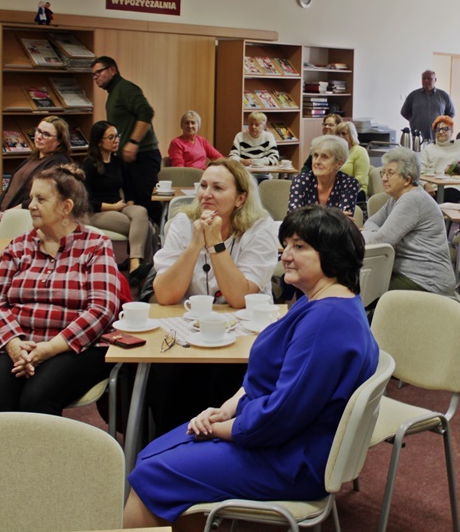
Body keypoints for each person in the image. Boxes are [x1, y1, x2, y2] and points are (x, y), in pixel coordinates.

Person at [124, 204, 379, 530]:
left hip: (292, 459)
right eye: (286, 244)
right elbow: (273, 382)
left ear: (332, 254)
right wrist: (225, 410)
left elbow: (280, 415)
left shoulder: (328, 321)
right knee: (153, 455)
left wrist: (221, 428)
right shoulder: (318, 302)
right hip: (281, 439)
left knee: (152, 471)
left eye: (299, 246)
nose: (286, 255)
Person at [147, 158, 279, 436]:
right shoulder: (184, 223)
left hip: (244, 337)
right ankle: (170, 446)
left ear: (240, 198)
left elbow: (239, 297)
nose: (206, 193)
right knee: (165, 377)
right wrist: (196, 243)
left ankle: (216, 447)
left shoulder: (259, 227)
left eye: (218, 188)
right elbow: (166, 295)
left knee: (224, 378)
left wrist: (215, 242)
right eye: (203, 185)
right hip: (191, 333)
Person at [0, 164, 122, 414]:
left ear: (66, 207)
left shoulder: (96, 245)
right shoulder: (19, 246)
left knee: (37, 399)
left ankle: (41, 455)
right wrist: (13, 343)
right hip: (20, 339)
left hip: (75, 346)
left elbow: (102, 308)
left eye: (40, 199)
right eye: (31, 198)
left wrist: (50, 348)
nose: (31, 205)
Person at [363, 148, 456, 297]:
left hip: (428, 281)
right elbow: (371, 222)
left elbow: (381, 241)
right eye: (384, 173)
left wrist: (375, 235)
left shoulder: (412, 200)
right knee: (362, 285)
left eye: (390, 173)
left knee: (365, 289)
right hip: (409, 274)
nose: (384, 178)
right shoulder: (395, 198)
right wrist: (375, 233)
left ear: (407, 180)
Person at [0, 116, 71, 236]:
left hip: (20, 219)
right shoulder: (32, 159)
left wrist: (4, 215)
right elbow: (10, 190)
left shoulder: (57, 163)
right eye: (38, 131)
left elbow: (40, 199)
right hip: (1, 215)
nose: (39, 136)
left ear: (59, 141)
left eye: (46, 134)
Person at [92, 56, 162, 223]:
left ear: (112, 70)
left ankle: (159, 244)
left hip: (143, 155)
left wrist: (133, 142)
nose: (95, 77)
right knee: (135, 203)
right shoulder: (113, 94)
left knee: (147, 203)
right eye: (93, 75)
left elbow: (146, 112)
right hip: (127, 158)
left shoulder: (125, 88)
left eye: (98, 72)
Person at [82, 120, 151, 277]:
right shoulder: (89, 165)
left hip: (119, 207)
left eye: (117, 136)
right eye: (111, 137)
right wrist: (114, 207)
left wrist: (129, 209)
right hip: (96, 212)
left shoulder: (117, 162)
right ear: (100, 142)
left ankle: (136, 263)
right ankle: (137, 266)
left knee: (141, 212)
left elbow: (129, 189)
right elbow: (86, 201)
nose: (116, 141)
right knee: (148, 227)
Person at [288, 135, 360, 216]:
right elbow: (293, 218)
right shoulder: (301, 180)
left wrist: (307, 217)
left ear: (338, 163)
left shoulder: (349, 183)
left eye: (324, 157)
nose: (317, 161)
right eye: (315, 155)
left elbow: (344, 223)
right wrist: (333, 217)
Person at [420, 115, 460, 203]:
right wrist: (426, 185)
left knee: (447, 196)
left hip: (455, 186)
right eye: (437, 129)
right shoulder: (429, 148)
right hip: (433, 187)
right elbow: (420, 171)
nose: (440, 132)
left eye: (445, 129)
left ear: (451, 131)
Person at [400, 69, 455, 141]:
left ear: (435, 80)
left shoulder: (444, 96)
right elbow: (404, 112)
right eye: (424, 78)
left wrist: (442, 124)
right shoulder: (413, 95)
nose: (426, 80)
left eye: (429, 78)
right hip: (417, 137)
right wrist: (414, 120)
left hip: (438, 136)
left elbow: (451, 113)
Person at [229, 112, 279, 182]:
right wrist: (242, 161)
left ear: (264, 127)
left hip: (263, 176)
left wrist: (258, 162)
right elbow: (231, 157)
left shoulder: (268, 136)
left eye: (257, 124)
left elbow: (274, 158)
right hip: (244, 175)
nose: (253, 127)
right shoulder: (240, 136)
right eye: (251, 124)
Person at [336, 121, 370, 199]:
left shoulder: (360, 151)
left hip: (356, 192)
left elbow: (360, 180)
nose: (340, 136)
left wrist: (340, 188)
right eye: (338, 133)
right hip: (337, 190)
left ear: (352, 135)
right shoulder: (337, 152)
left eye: (344, 134)